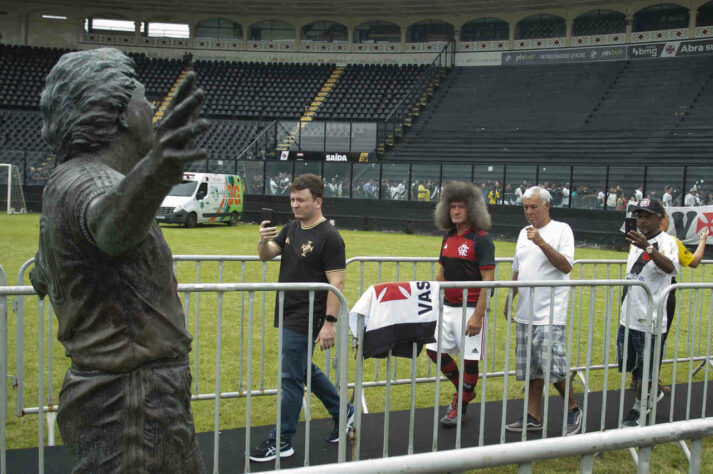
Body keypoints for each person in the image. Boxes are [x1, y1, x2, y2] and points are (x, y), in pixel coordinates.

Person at [29, 48, 208, 472]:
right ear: (122, 114)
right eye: (144, 99)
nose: (151, 109)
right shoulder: (92, 181)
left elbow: (48, 269)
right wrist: (158, 170)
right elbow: (107, 229)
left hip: (135, 398)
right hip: (131, 404)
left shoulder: (66, 180)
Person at [251, 173, 354, 462]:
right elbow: (266, 255)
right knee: (302, 369)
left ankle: (282, 439)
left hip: (310, 315)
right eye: (292, 199)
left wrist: (330, 323)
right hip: (287, 310)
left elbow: (337, 283)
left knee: (290, 377)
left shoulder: (330, 237)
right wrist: (262, 240)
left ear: (317, 202)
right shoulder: (291, 228)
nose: (295, 205)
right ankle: (344, 411)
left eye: (301, 200)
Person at [504, 186, 582, 436]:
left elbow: (566, 266)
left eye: (533, 207)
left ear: (547, 206)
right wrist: (510, 296)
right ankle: (532, 415)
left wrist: (540, 241)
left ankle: (573, 410)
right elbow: (518, 267)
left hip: (550, 311)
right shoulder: (521, 233)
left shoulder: (562, 230)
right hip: (526, 311)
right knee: (532, 367)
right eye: (525, 207)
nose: (529, 212)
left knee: (553, 364)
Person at [426, 181, 495, 426]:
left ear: (473, 210)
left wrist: (478, 315)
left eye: (461, 208)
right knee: (433, 351)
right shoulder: (448, 236)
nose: (456, 211)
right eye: (452, 207)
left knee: (469, 359)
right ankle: (464, 390)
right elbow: (442, 270)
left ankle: (460, 407)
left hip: (470, 308)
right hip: (447, 307)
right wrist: (435, 299)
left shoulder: (481, 240)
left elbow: (489, 280)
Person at [630, 212, 708, 392]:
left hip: (638, 294)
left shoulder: (638, 240)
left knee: (639, 337)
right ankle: (648, 380)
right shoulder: (673, 242)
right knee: (657, 339)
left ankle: (638, 377)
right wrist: (702, 240)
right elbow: (694, 261)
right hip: (661, 295)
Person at [619, 198, 678, 427]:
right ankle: (651, 394)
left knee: (647, 367)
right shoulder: (635, 241)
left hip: (651, 317)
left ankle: (640, 407)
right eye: (639, 216)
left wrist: (648, 248)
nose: (642, 220)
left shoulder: (667, 241)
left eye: (647, 216)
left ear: (660, 220)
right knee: (632, 364)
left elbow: (671, 268)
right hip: (630, 314)